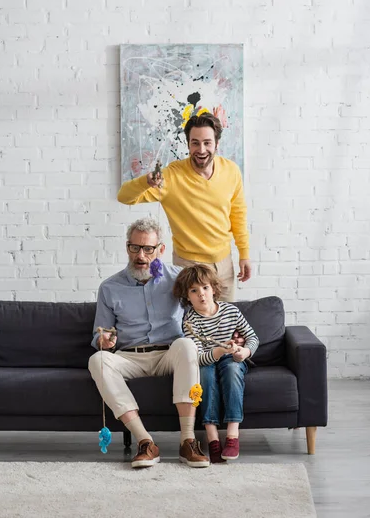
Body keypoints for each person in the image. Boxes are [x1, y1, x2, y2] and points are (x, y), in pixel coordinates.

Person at [88, 217, 210, 469]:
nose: (140, 255)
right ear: (127, 247)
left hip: (169, 353)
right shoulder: (110, 287)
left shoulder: (180, 279)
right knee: (97, 360)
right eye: (135, 248)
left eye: (148, 249)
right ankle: (146, 442)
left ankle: (187, 441)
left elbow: (206, 304)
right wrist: (104, 340)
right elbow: (100, 334)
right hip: (130, 357)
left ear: (161, 249)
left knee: (187, 345)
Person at [117, 111, 251, 301]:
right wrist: (145, 182)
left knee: (225, 325)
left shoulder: (231, 171)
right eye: (195, 143)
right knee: (190, 326)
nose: (201, 149)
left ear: (217, 144)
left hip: (224, 265)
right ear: (188, 144)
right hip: (188, 265)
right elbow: (124, 197)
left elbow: (238, 215)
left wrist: (244, 254)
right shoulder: (171, 176)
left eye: (207, 142)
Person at [173, 264, 259, 464]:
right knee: (205, 376)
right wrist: (219, 351)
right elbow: (198, 357)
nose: (201, 294)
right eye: (194, 291)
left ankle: (232, 435)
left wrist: (244, 352)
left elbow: (252, 338)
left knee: (231, 369)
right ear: (187, 296)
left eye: (205, 288)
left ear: (213, 288)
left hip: (231, 359)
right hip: (208, 361)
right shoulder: (189, 321)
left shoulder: (230, 311)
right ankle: (212, 437)